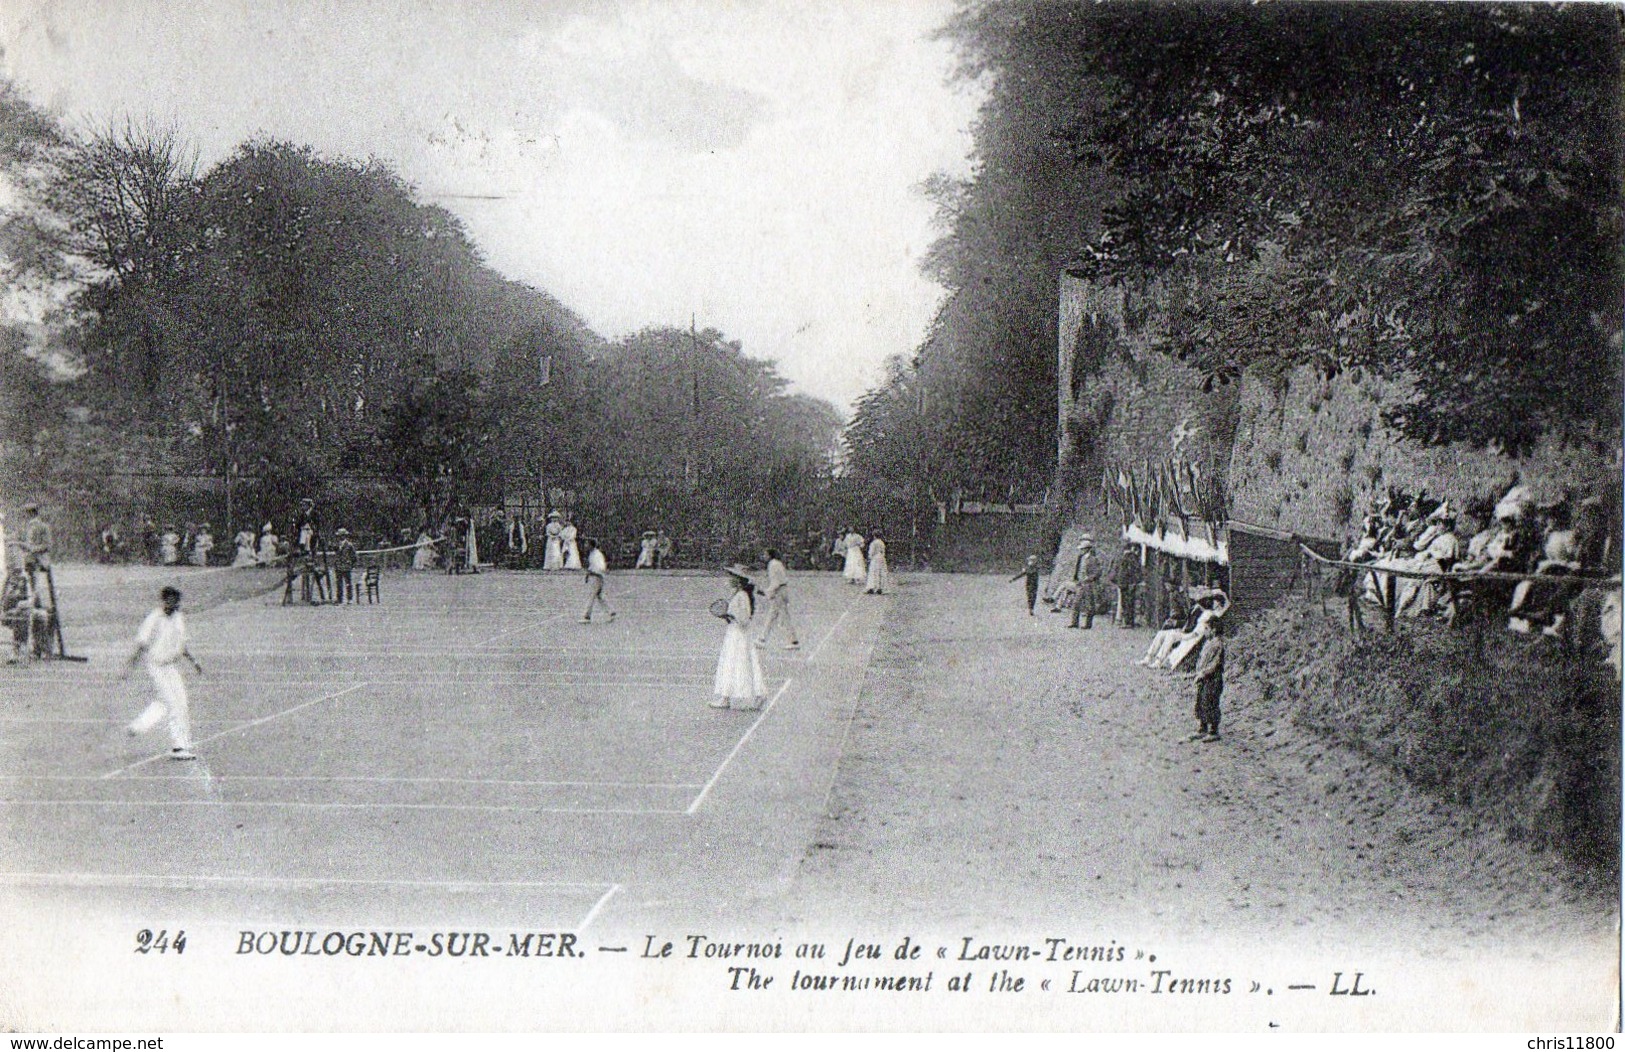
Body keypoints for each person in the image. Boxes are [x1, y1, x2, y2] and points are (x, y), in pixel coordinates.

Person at [123, 586, 204, 761]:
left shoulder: (179, 617)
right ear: (165, 601)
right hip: (156, 666)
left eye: (177, 601)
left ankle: (139, 726)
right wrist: (130, 666)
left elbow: (181, 645)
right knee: (172, 703)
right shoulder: (153, 619)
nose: (176, 604)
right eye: (172, 601)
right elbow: (142, 644)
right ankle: (179, 747)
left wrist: (194, 662)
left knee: (178, 702)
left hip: (171, 667)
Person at [712, 565, 767, 710]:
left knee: (741, 664)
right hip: (734, 633)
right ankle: (725, 698)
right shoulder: (739, 594)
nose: (729, 579)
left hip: (739, 636)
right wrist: (729, 617)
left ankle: (757, 696)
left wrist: (731, 616)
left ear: (738, 580)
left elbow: (744, 619)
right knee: (731, 664)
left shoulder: (741, 596)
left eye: (732, 577)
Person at [755, 548, 802, 649]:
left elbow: (776, 583)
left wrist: (765, 592)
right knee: (773, 615)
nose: (764, 556)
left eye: (765, 554)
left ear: (769, 555)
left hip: (779, 592)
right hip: (781, 591)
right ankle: (762, 639)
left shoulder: (772, 565)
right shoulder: (776, 563)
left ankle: (793, 641)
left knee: (782, 617)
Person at [1190, 616, 1226, 742]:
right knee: (1201, 701)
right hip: (1203, 677)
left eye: (1206, 629)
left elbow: (1214, 664)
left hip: (1213, 678)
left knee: (1210, 702)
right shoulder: (1208, 643)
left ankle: (1213, 730)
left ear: (1214, 629)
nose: (1204, 632)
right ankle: (1202, 727)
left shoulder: (1218, 644)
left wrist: (1204, 673)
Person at [2, 567, 50, 663]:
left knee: (42, 615)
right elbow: (5, 601)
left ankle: (39, 649)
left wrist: (31, 601)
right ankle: (19, 650)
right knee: (22, 615)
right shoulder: (10, 580)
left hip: (26, 610)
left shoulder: (30, 581)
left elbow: (35, 602)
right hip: (11, 612)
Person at [1068, 534, 1103, 629]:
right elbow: (1078, 569)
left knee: (1089, 604)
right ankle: (1074, 622)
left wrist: (1090, 578)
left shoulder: (1093, 559)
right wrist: (1076, 579)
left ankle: (1088, 624)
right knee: (1076, 603)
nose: (1081, 550)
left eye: (1082, 549)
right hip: (1080, 583)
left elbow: (1098, 572)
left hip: (1089, 584)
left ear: (1087, 549)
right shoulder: (1081, 558)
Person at [579, 538, 617, 623]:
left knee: (591, 596)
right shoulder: (592, 554)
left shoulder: (597, 554)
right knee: (600, 596)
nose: (585, 546)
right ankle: (611, 611)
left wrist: (593, 572)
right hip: (595, 577)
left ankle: (586, 616)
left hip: (596, 577)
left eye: (586, 544)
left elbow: (601, 567)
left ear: (591, 545)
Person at [1113, 543, 1142, 627]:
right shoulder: (1132, 559)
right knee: (1128, 602)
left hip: (1125, 583)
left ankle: (1128, 622)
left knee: (1126, 603)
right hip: (1128, 583)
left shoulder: (1124, 558)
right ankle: (1128, 621)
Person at [332, 528, 358, 604]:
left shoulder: (349, 545)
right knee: (339, 584)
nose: (339, 537)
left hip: (346, 566)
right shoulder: (336, 545)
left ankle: (349, 598)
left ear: (344, 536)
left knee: (348, 583)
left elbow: (354, 556)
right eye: (339, 536)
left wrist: (351, 564)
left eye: (341, 536)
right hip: (338, 566)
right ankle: (339, 599)